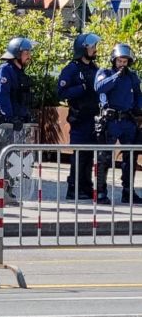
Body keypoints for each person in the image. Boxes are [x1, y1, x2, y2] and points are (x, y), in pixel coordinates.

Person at [94, 44, 142, 205]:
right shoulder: (105, 72)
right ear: (114, 60)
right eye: (120, 61)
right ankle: (100, 192)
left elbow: (138, 96)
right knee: (105, 157)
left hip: (127, 120)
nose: (122, 64)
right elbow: (99, 87)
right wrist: (116, 76)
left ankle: (128, 192)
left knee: (130, 157)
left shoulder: (132, 76)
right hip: (111, 120)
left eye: (125, 61)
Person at [0, 37, 35, 205]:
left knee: (16, 160)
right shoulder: (6, 70)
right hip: (8, 123)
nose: (29, 56)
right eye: (26, 52)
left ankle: (7, 191)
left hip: (19, 122)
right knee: (7, 158)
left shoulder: (20, 71)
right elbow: (2, 96)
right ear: (17, 53)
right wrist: (9, 117)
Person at [57, 33, 101, 200]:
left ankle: (86, 186)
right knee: (80, 155)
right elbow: (61, 92)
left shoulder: (95, 69)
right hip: (79, 118)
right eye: (92, 46)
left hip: (93, 118)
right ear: (83, 49)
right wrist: (80, 88)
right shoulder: (72, 69)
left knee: (90, 155)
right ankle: (73, 188)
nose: (95, 49)